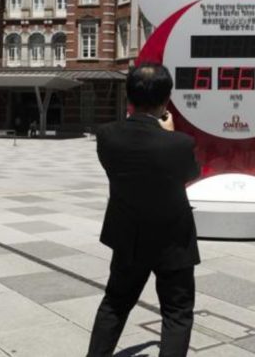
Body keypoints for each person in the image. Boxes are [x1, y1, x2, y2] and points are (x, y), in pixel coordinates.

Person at [87, 63, 200, 357]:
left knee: (115, 304)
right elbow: (190, 172)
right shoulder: (179, 143)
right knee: (177, 313)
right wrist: (169, 133)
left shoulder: (107, 136)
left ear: (129, 98)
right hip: (173, 240)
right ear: (166, 100)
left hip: (128, 237)